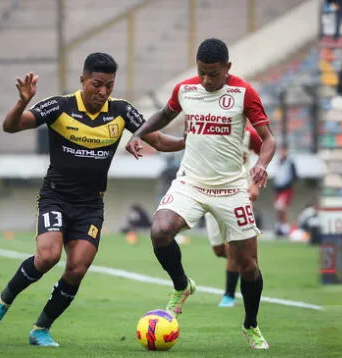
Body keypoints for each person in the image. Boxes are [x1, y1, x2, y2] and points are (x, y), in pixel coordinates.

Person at [0, 53, 184, 346]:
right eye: (96, 84)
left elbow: (157, 140)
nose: (103, 92)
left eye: (109, 85)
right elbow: (10, 127)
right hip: (56, 197)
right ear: (83, 80)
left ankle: (41, 328)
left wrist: (189, 140)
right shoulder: (60, 106)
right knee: (48, 256)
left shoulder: (121, 111)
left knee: (77, 267)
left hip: (91, 205)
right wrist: (22, 102)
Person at [125, 38, 276, 349]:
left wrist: (261, 165)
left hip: (232, 187)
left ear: (227, 69)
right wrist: (138, 134)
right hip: (190, 182)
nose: (206, 80)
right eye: (202, 72)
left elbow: (268, 140)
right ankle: (182, 286)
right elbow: (164, 116)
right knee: (160, 230)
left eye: (213, 74)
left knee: (247, 264)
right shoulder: (185, 89)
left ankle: (250, 325)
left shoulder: (243, 93)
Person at [208, 124, 262, 308]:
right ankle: (246, 257)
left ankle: (229, 295)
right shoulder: (209, 127)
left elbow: (264, 155)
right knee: (219, 250)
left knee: (232, 247)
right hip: (210, 193)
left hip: (238, 195)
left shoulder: (249, 134)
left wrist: (254, 182)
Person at [273, 147, 298, 237]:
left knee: (281, 207)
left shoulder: (290, 163)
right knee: (278, 208)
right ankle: (280, 226)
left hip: (286, 189)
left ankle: (286, 227)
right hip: (279, 190)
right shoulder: (278, 162)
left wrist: (287, 184)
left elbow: (294, 176)